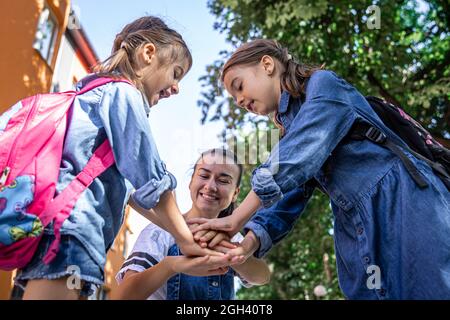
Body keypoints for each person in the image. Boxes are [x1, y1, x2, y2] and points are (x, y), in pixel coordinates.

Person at [189, 39, 450, 299]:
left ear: (267, 64)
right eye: (234, 97)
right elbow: (284, 200)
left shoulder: (324, 85)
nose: (239, 100)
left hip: (404, 204)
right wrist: (246, 245)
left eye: (239, 86)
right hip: (355, 228)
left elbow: (303, 148)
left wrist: (235, 220)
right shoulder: (290, 135)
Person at [15, 16, 214, 300]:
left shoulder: (97, 95)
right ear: (148, 54)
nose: (176, 88)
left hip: (62, 230)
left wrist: (182, 231)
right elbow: (152, 181)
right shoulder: (123, 94)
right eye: (176, 72)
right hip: (72, 232)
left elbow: (133, 194)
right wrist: (186, 240)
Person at [113, 149, 270, 300]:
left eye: (223, 181)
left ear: (235, 193)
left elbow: (262, 276)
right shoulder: (159, 232)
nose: (210, 186)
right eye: (204, 175)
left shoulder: (234, 238)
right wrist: (171, 266)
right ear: (190, 182)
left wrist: (234, 255)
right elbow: (122, 296)